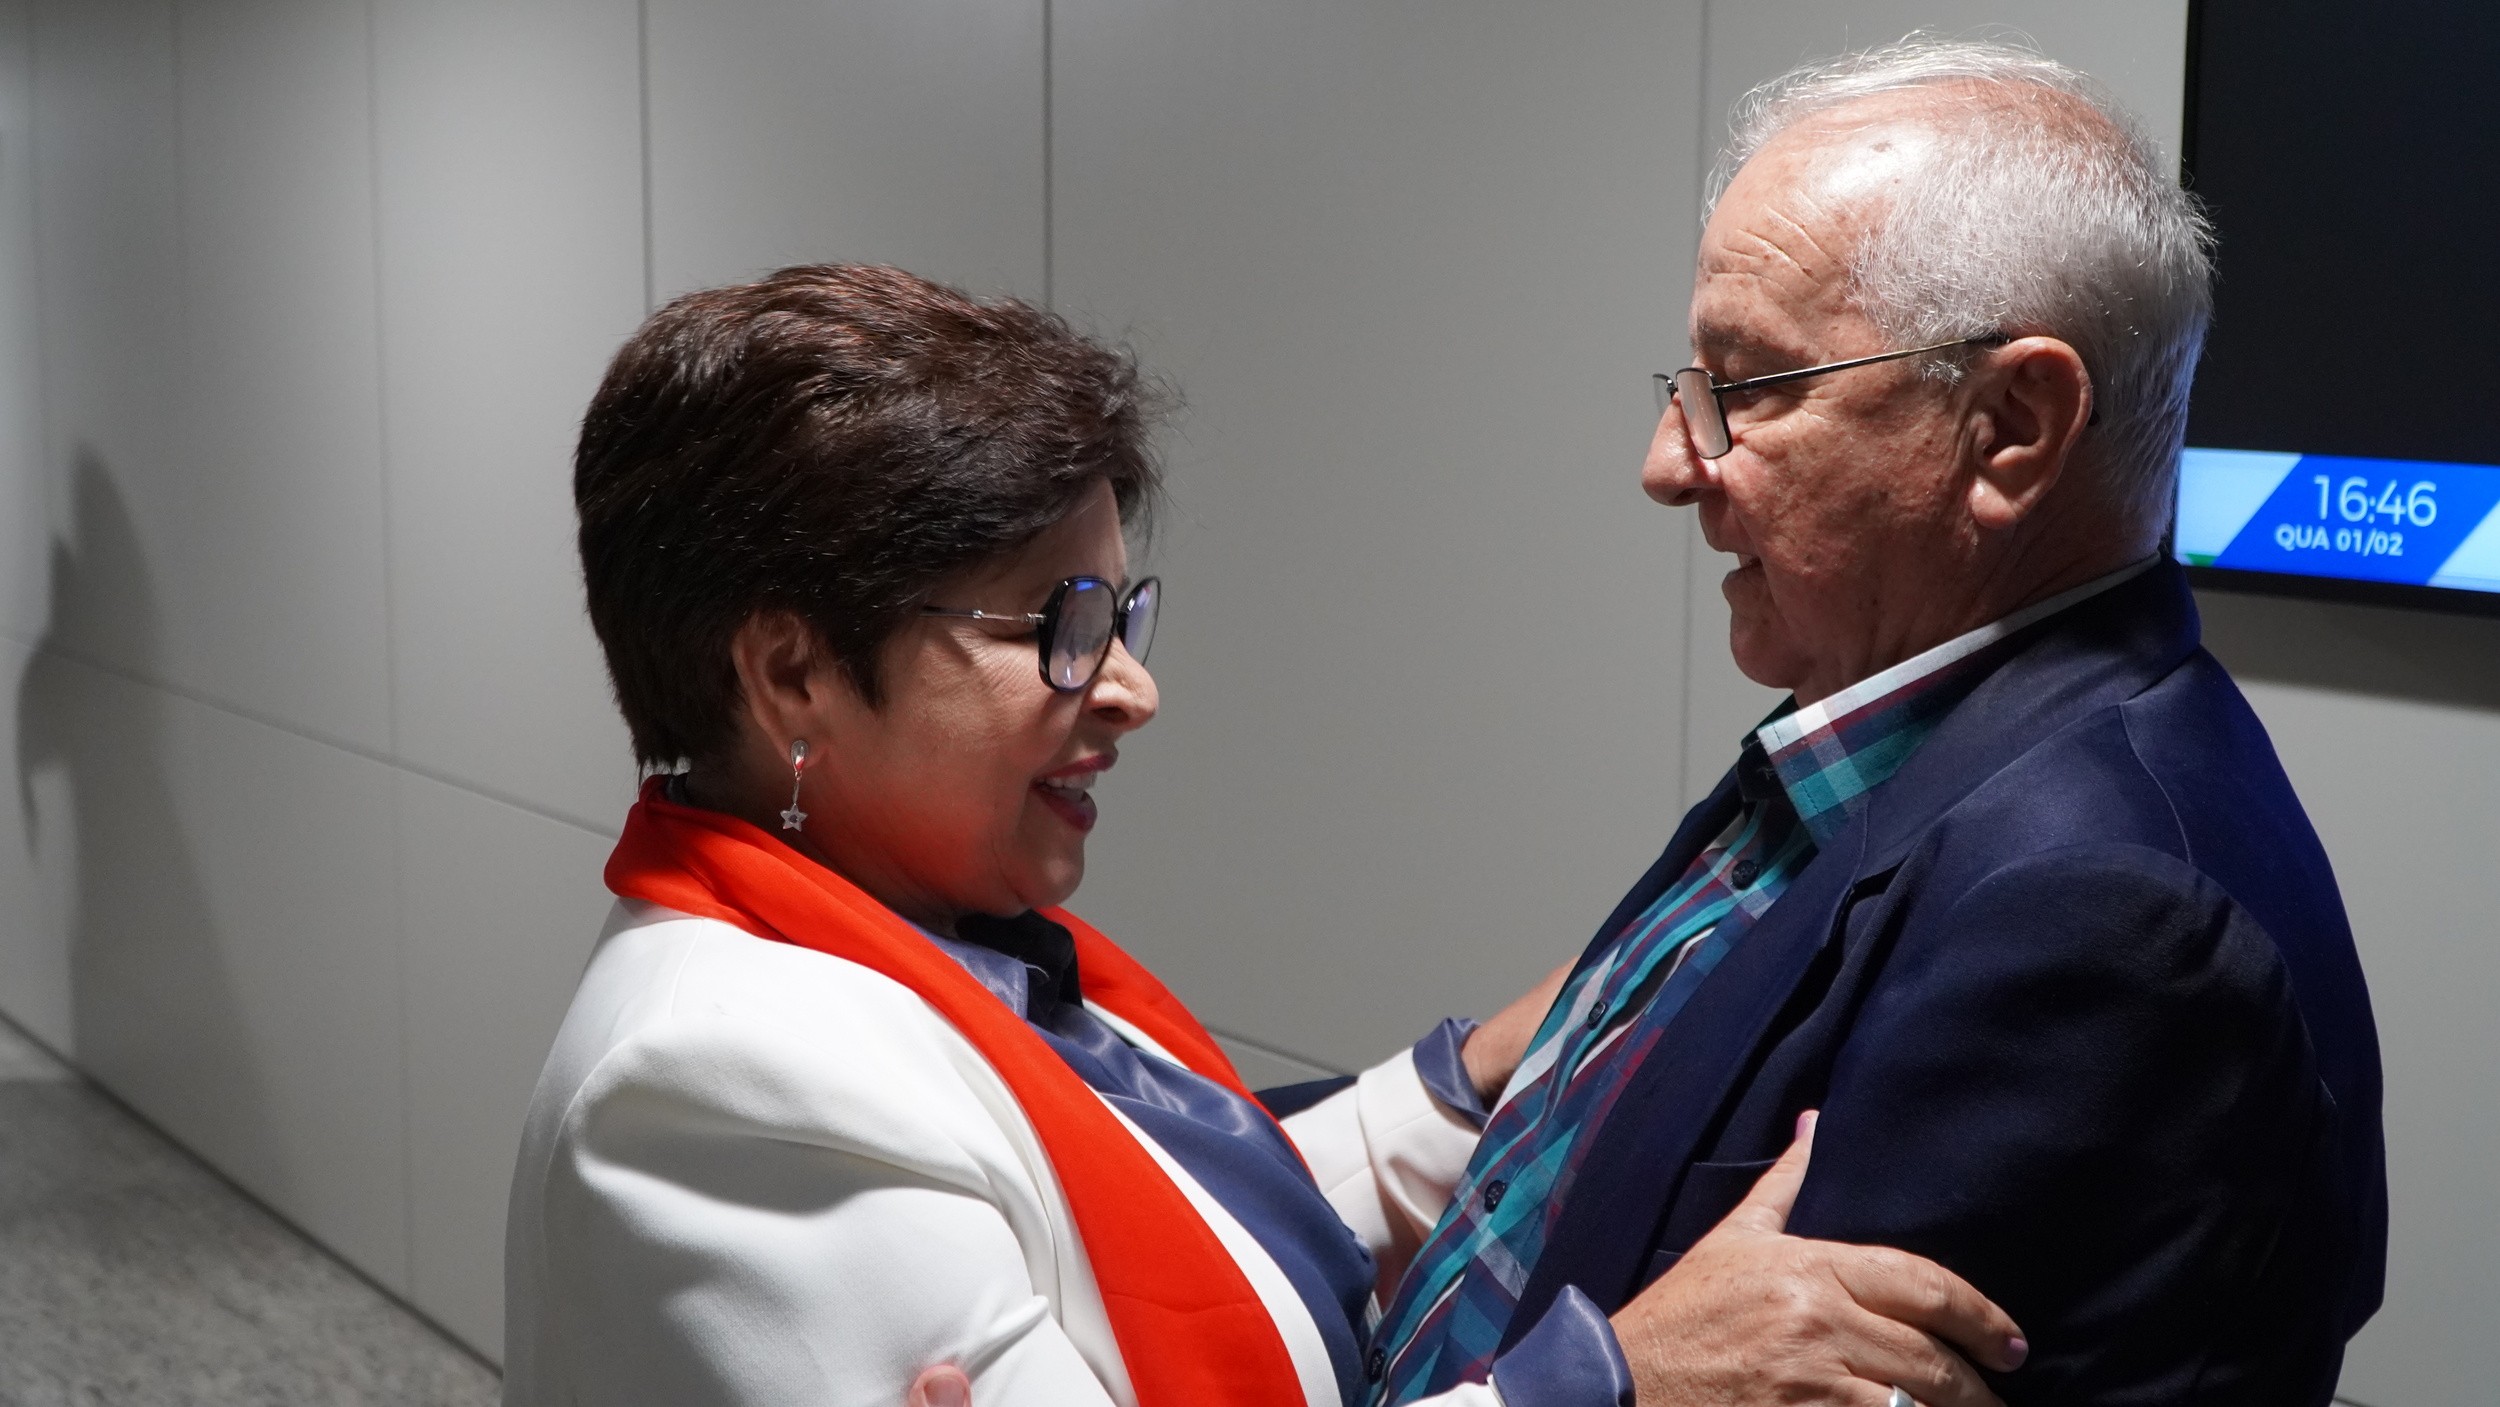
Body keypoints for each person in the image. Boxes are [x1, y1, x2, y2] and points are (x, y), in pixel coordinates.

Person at [501, 264, 2027, 1407]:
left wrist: (1487, 1073)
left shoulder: (923, 937)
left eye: (1122, 614)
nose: (1130, 688)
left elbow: (1166, 1240)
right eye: (1058, 625)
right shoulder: (715, 1081)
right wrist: (1614, 1384)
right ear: (791, 674)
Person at [1360, 38, 2386, 1407]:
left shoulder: (2099, 921)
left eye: (1749, 389)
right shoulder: (1880, 723)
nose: (1669, 464)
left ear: (2011, 427)